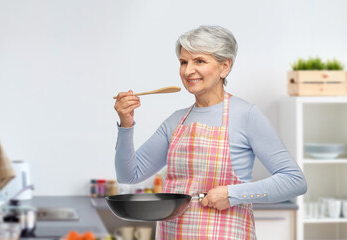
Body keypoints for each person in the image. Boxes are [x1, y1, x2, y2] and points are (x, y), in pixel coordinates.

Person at [114, 25, 307, 239]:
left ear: (224, 67)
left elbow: (294, 181)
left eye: (200, 61)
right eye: (183, 62)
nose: (188, 71)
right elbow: (129, 175)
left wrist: (232, 194)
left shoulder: (246, 115)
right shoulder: (176, 121)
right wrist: (126, 124)